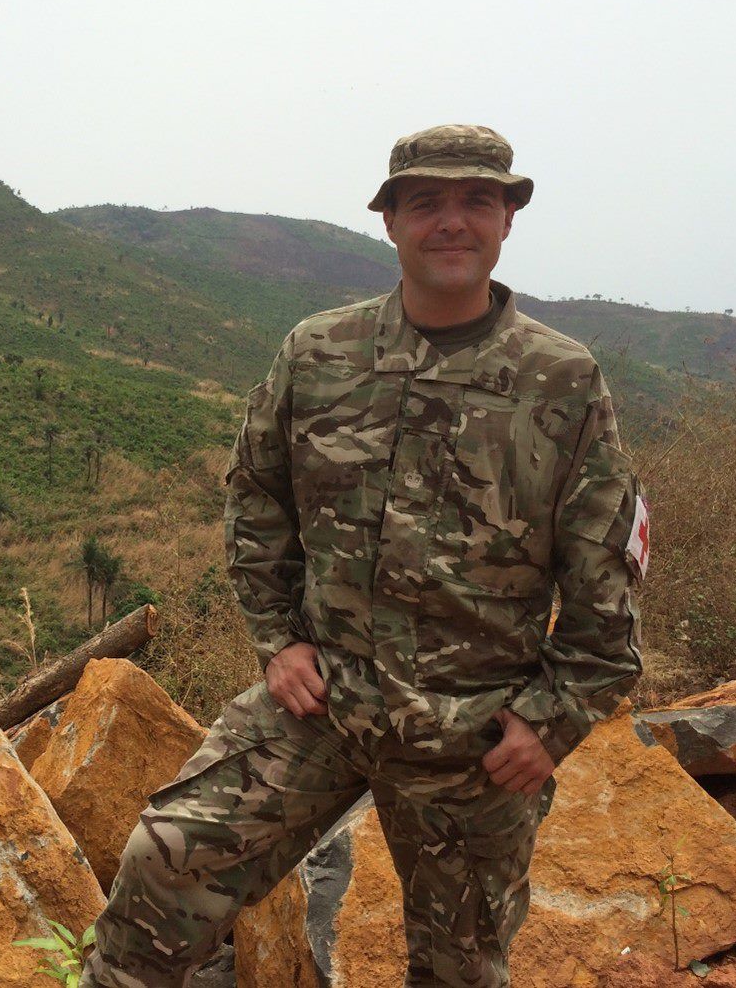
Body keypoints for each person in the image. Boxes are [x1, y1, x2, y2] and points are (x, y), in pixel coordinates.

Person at [79, 125, 648, 988]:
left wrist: (553, 717)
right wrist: (278, 640)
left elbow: (606, 566)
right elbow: (256, 495)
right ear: (389, 222)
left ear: (506, 221)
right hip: (324, 702)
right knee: (167, 856)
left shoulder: (560, 380)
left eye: (475, 201)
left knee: (457, 971)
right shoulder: (319, 353)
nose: (450, 222)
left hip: (474, 735)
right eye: (425, 203)